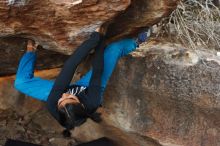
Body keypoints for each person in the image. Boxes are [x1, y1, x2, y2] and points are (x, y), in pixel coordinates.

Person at [14, 26, 150, 136]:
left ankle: (31, 51)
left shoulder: (53, 102)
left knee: (20, 83)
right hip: (87, 88)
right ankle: (135, 42)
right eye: (68, 98)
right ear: (80, 103)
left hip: (57, 91)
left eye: (61, 101)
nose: (63, 96)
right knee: (113, 50)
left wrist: (93, 39)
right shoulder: (93, 100)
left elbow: (69, 66)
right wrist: (100, 39)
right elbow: (97, 69)